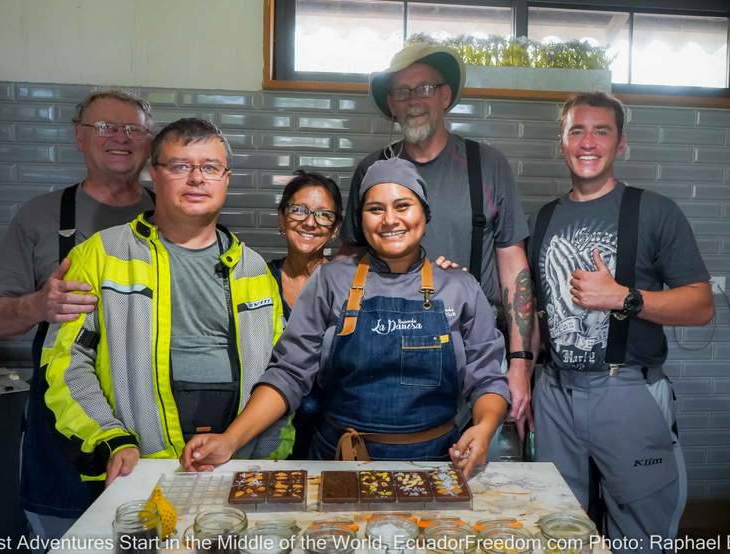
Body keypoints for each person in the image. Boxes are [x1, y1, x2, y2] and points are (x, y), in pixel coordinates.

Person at [182, 157, 510, 478]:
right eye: (375, 209)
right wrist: (231, 439)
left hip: (435, 464)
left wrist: (484, 427)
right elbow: (289, 373)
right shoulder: (332, 281)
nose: (389, 220)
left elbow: (487, 378)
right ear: (361, 219)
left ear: (424, 213)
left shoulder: (460, 287)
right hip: (340, 462)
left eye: (403, 206)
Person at [42, 118, 292, 490]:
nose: (196, 178)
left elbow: (278, 371)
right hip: (138, 467)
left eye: (210, 167)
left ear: (227, 179)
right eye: (179, 166)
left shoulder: (253, 268)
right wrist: (111, 439)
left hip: (242, 464)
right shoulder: (102, 255)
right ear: (153, 175)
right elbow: (66, 364)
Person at [528, 92, 714, 551]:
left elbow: (701, 305)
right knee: (559, 526)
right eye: (577, 131)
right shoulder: (545, 217)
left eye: (600, 131)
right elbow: (538, 309)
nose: (587, 142)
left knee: (642, 533)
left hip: (626, 392)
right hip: (554, 394)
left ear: (621, 143)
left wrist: (623, 298)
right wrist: (524, 380)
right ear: (562, 142)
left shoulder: (654, 211)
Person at [0, 90, 155, 538]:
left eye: (133, 129)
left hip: (152, 427)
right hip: (63, 427)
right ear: (79, 137)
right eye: (106, 127)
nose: (121, 138)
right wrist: (39, 304)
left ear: (149, 142)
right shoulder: (40, 215)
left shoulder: (174, 215)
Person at [339, 43, 533, 436]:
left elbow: (515, 270)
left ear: (445, 96)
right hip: (390, 353)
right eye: (401, 92)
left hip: (477, 354)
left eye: (424, 88)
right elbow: (350, 262)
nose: (413, 101)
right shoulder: (373, 171)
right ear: (391, 105)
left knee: (477, 476)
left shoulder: (487, 166)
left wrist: (519, 362)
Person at [267, 170, 343, 458]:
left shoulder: (349, 283)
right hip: (272, 426)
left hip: (333, 432)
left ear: (335, 229)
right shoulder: (258, 279)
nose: (310, 222)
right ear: (281, 218)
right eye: (299, 210)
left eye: (324, 215)